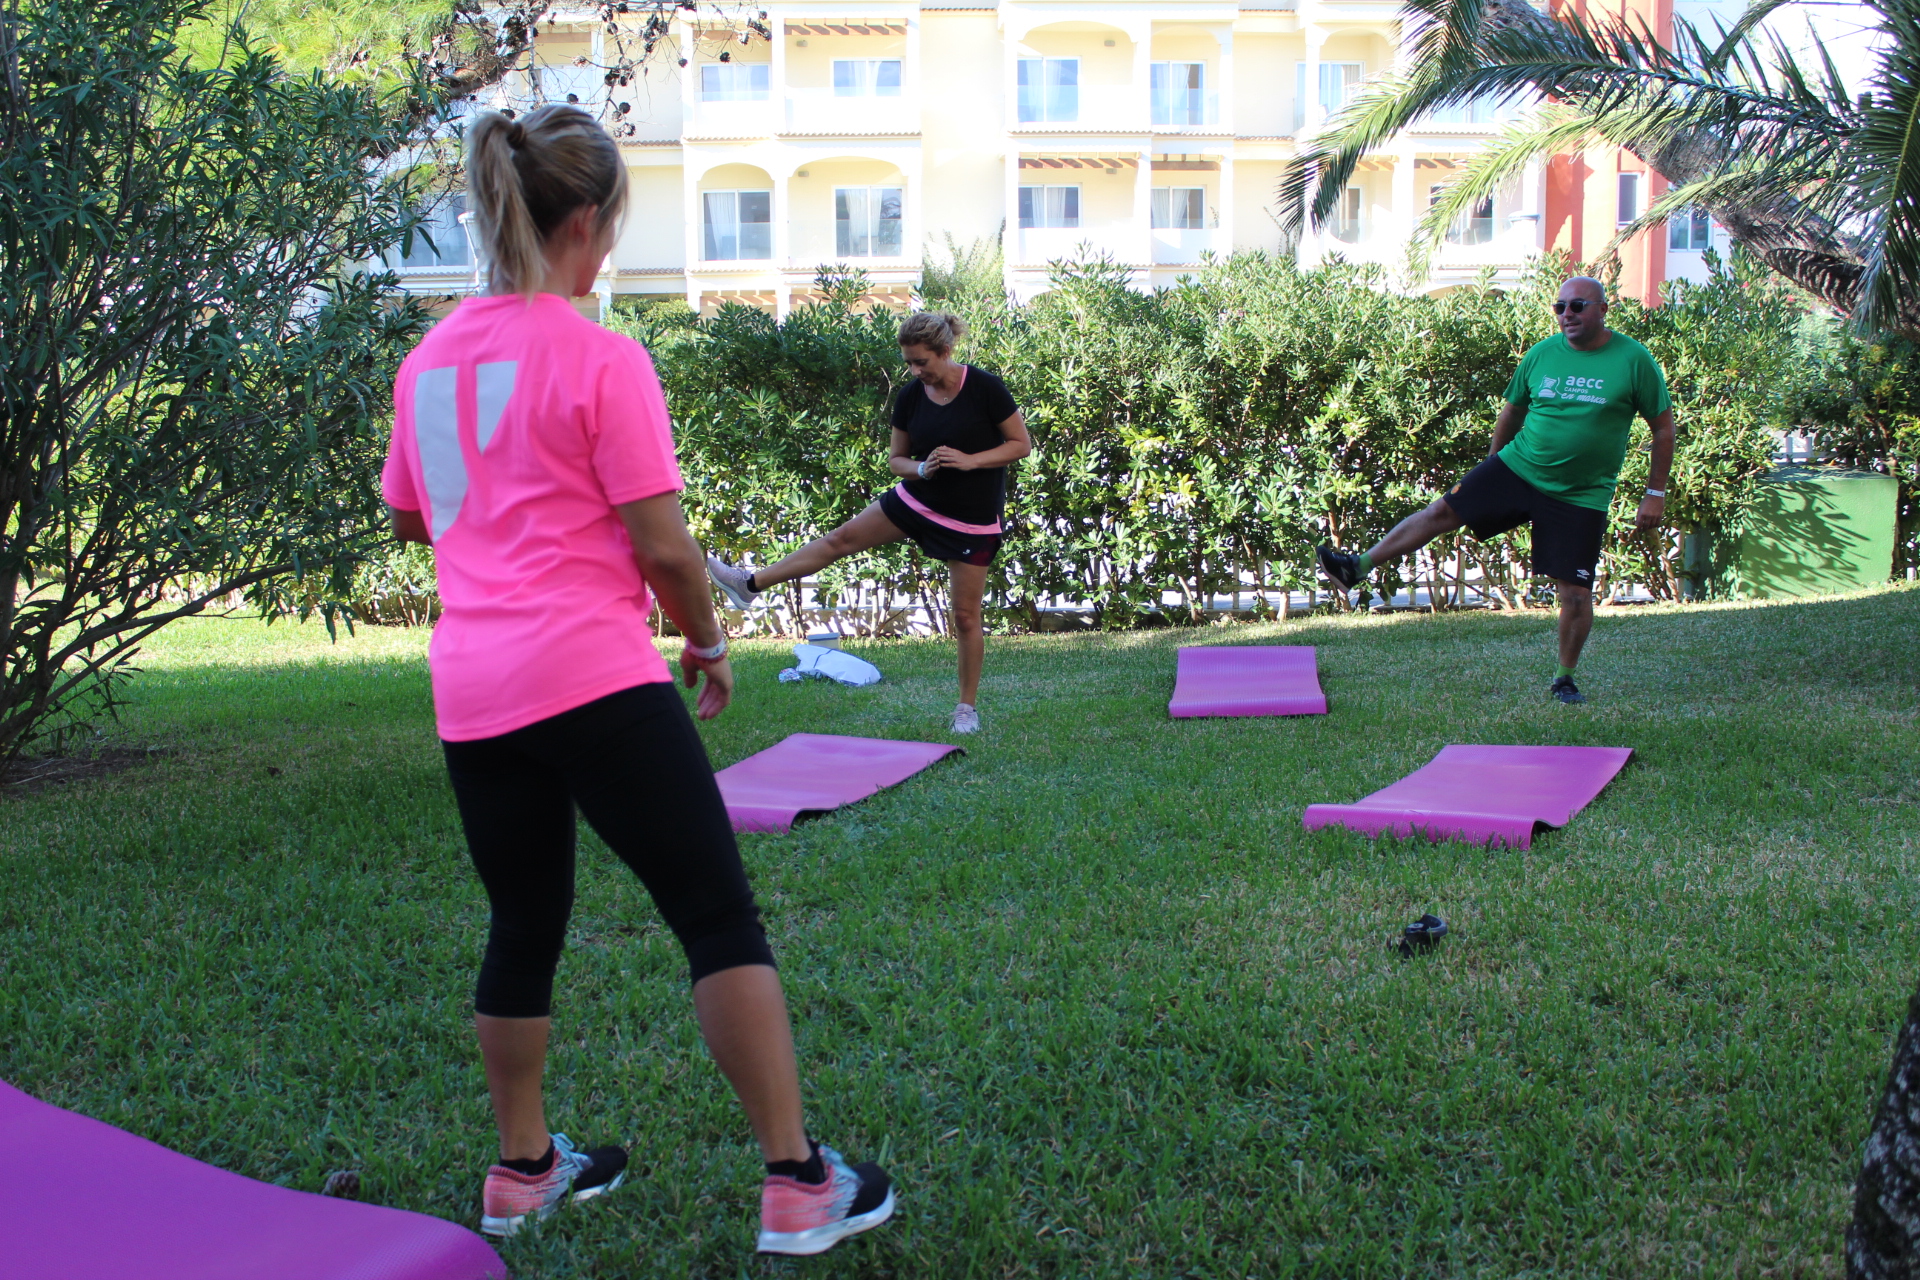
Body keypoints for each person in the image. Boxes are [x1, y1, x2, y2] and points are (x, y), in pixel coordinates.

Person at [380, 104, 893, 1256]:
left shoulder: (426, 361)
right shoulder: (600, 355)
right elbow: (665, 550)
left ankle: (521, 1169)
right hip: (594, 676)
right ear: (593, 222)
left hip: (473, 685)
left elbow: (415, 515)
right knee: (716, 913)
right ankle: (799, 1179)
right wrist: (706, 642)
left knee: (522, 921)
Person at [1317, 276, 1675, 704]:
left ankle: (1564, 678)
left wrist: (1654, 493)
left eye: (1577, 306)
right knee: (1442, 512)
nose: (1567, 316)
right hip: (1518, 468)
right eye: (1559, 308)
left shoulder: (1633, 360)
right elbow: (1511, 413)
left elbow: (1663, 428)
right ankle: (1356, 567)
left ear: (1602, 308)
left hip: (1580, 494)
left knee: (1575, 593)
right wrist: (1492, 465)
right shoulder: (1542, 355)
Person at [704, 312, 1031, 735]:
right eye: (909, 363)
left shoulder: (985, 388)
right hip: (918, 500)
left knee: (966, 618)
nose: (915, 371)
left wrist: (970, 461)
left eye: (921, 362)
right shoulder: (912, 395)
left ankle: (965, 709)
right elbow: (897, 461)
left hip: (972, 518)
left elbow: (1020, 444)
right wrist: (922, 469)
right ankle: (748, 584)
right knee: (840, 538)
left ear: (945, 352)